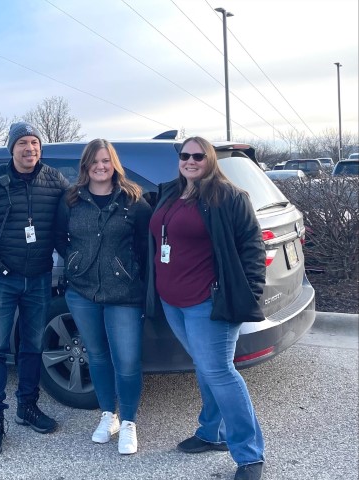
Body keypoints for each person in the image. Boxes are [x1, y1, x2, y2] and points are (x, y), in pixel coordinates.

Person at [145, 136, 266, 480]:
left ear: (210, 160)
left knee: (219, 373)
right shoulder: (171, 191)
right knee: (204, 368)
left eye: (199, 156)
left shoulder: (228, 197)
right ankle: (211, 433)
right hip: (172, 301)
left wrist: (248, 296)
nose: (191, 161)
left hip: (208, 303)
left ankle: (248, 454)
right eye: (185, 155)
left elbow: (252, 250)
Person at [0, 122, 69, 456]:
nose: (29, 149)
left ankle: (28, 406)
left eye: (35, 143)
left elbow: (71, 223)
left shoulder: (55, 181)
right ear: (11, 148)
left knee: (33, 346)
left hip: (38, 277)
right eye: (22, 143)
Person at [54, 139, 152, 455]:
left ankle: (128, 423)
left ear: (114, 165)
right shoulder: (71, 200)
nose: (100, 166)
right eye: (94, 161)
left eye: (106, 161)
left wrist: (127, 270)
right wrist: (75, 262)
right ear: (85, 166)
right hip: (82, 292)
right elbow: (59, 237)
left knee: (126, 360)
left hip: (124, 293)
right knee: (96, 355)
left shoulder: (133, 201)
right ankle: (107, 415)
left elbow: (145, 245)